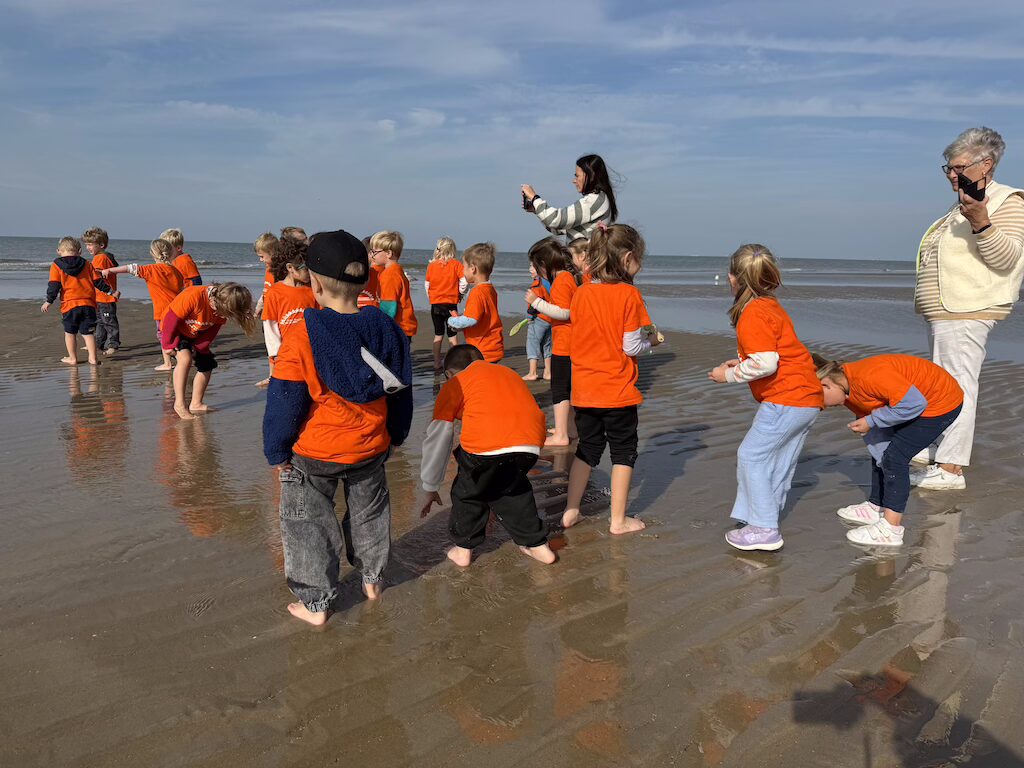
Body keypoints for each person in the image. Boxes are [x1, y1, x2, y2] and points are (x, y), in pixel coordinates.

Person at [262, 229, 413, 626]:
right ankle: (373, 579)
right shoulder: (388, 329)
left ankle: (316, 604)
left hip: (315, 453)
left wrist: (277, 450)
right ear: (364, 280)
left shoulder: (303, 334)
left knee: (308, 525)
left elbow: (285, 400)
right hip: (371, 447)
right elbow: (402, 390)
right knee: (370, 516)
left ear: (313, 283)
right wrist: (397, 434)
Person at [913, 127, 1024, 490]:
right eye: (947, 167)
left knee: (958, 385)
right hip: (947, 309)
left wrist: (980, 220)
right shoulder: (962, 203)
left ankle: (951, 468)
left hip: (968, 307)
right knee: (943, 384)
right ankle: (939, 447)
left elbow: (1007, 258)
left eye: (958, 167)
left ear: (986, 164)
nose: (951, 174)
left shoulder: (1008, 201)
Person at [707, 245, 823, 552]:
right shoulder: (770, 306)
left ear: (732, 278)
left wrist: (728, 375)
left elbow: (766, 363)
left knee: (752, 456)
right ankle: (763, 517)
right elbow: (774, 353)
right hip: (807, 397)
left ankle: (764, 528)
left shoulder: (753, 312)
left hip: (787, 398)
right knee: (778, 459)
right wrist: (741, 363)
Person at [559, 224, 661, 534]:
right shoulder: (629, 294)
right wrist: (652, 342)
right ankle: (618, 520)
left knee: (587, 449)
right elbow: (630, 346)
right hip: (616, 391)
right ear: (628, 258)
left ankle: (571, 510)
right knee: (623, 452)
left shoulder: (581, 293)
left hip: (584, 390)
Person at [417, 344, 556, 567]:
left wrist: (431, 485)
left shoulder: (456, 383)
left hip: (486, 448)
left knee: (467, 492)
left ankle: (463, 550)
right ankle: (538, 545)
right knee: (512, 490)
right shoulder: (507, 373)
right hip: (530, 444)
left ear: (449, 374)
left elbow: (439, 438)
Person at [816, 354, 964, 547]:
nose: (822, 407)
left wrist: (872, 422)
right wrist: (880, 453)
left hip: (940, 402)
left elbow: (914, 404)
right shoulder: (846, 390)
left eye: (820, 399)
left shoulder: (869, 376)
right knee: (884, 456)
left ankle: (891, 529)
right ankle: (876, 506)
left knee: (895, 458)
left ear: (827, 383)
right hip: (912, 401)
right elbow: (876, 434)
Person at [161, 283, 258, 420]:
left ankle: (196, 403)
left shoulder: (224, 306)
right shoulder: (193, 296)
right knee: (185, 359)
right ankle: (179, 404)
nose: (218, 315)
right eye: (218, 312)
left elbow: (212, 330)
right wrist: (167, 344)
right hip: (175, 331)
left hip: (196, 334)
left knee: (207, 365)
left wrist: (201, 347)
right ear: (214, 301)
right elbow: (171, 319)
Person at [527, 237, 587, 446]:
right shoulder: (568, 277)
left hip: (564, 344)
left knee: (560, 389)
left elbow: (564, 312)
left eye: (536, 266)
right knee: (567, 389)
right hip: (570, 343)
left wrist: (536, 302)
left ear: (544, 265)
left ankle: (561, 434)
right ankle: (570, 429)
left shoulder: (561, 280)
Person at [99, 238, 184, 370]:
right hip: (178, 310)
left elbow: (130, 268)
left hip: (162, 311)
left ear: (152, 253)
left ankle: (168, 362)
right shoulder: (176, 271)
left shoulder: (152, 270)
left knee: (163, 335)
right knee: (174, 334)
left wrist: (110, 270)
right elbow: (181, 289)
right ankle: (181, 356)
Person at [41, 236, 116, 366]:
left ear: (58, 251)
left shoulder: (56, 265)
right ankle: (93, 358)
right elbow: (98, 281)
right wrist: (110, 291)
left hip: (69, 306)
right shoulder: (87, 264)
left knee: (70, 333)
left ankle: (72, 358)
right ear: (80, 251)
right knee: (88, 333)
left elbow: (54, 285)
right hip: (88, 305)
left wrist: (49, 300)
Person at [256, 237, 318, 388]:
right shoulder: (275, 292)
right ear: (290, 268)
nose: (310, 273)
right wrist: (276, 355)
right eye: (306, 268)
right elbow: (270, 327)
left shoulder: (314, 291)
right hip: (286, 356)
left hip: (311, 353)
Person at [521, 154, 618, 243]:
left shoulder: (594, 201)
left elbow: (555, 220)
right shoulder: (599, 199)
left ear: (590, 176)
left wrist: (534, 198)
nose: (574, 181)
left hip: (584, 256)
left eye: (577, 176)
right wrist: (536, 210)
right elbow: (558, 229)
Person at [448, 243, 503, 362]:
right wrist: (461, 323)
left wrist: (453, 321)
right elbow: (481, 318)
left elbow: (471, 320)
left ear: (473, 269)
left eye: (464, 267)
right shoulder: (490, 289)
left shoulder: (477, 292)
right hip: (492, 345)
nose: (462, 271)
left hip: (481, 349)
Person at [425, 236, 464, 372]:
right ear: (452, 249)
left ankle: (436, 362)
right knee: (452, 335)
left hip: (435, 305)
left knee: (438, 335)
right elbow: (464, 282)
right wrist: (461, 294)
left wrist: (432, 297)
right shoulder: (456, 264)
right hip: (451, 305)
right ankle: (454, 363)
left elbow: (427, 284)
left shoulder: (432, 265)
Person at [370, 230, 418, 342]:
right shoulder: (396, 270)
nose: (372, 255)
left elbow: (389, 306)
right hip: (403, 326)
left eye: (374, 252)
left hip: (398, 327)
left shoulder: (390, 275)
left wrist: (381, 327)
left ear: (388, 253)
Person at [82, 227, 120, 356]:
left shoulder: (100, 258)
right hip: (99, 297)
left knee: (108, 322)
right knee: (100, 322)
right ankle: (97, 344)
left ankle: (113, 345)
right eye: (86, 244)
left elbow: (96, 275)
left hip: (105, 297)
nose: (87, 247)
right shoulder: (104, 257)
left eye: (90, 244)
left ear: (101, 245)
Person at [522, 260, 552, 381]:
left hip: (538, 319)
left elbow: (533, 304)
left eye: (532, 267)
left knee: (532, 343)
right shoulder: (550, 282)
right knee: (547, 345)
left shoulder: (537, 285)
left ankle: (532, 372)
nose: (530, 269)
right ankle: (548, 372)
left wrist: (530, 317)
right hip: (550, 318)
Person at [252, 232, 280, 318]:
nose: (260, 260)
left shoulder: (279, 271)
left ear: (272, 253)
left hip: (275, 311)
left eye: (262, 256)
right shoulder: (268, 269)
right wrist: (260, 305)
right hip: (267, 307)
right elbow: (266, 289)